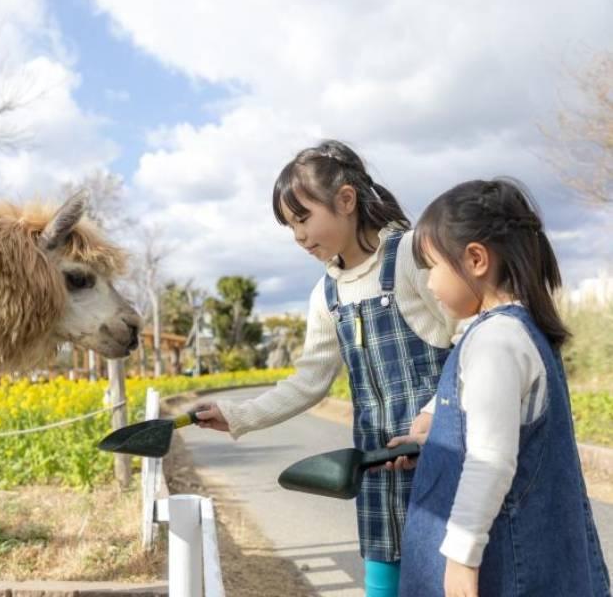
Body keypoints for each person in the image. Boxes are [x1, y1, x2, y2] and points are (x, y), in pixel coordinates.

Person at [195, 140, 459, 597]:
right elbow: (308, 382)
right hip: (378, 469)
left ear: (346, 201)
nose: (298, 235)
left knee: (448, 579)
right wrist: (237, 415)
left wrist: (437, 413)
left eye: (303, 218)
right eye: (289, 226)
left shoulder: (410, 256)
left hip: (442, 456)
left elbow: (468, 341)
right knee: (382, 586)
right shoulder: (327, 295)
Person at [391, 178, 610, 596]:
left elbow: (491, 459)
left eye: (432, 267)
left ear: (476, 259)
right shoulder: (514, 331)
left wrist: (460, 559)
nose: (430, 284)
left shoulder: (495, 340)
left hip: (501, 569)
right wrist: (433, 440)